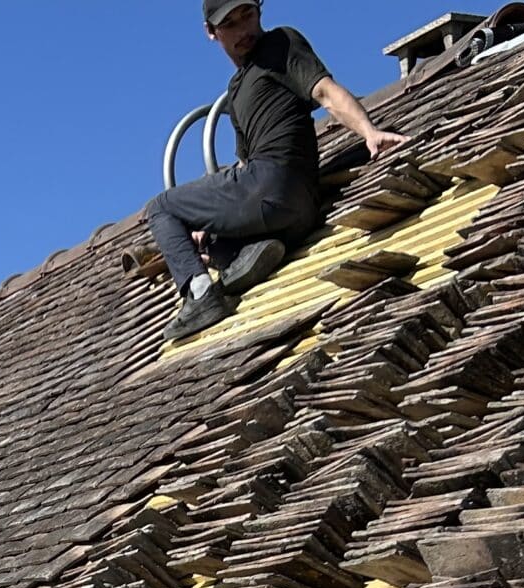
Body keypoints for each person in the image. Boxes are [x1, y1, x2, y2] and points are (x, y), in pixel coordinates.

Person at [148, 1, 411, 342]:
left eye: (248, 15)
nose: (244, 30)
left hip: (270, 183)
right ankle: (252, 251)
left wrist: (369, 132)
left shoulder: (281, 43)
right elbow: (243, 165)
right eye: (230, 24)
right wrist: (204, 220)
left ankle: (200, 297)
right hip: (297, 212)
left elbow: (324, 91)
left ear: (260, 11)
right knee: (211, 241)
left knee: (162, 207)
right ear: (212, 32)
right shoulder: (236, 91)